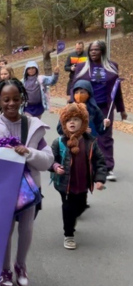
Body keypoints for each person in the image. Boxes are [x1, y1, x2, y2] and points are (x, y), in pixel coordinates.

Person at [0, 79, 54, 286]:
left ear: (22, 99)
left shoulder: (32, 126)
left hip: (28, 187)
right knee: (5, 228)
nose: (11, 103)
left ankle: (21, 265)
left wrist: (28, 152)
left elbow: (48, 159)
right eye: (6, 99)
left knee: (26, 227)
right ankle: (5, 270)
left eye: (15, 99)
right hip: (1, 189)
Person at [50, 103, 107, 250]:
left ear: (83, 122)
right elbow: (50, 159)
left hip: (82, 184)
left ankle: (73, 217)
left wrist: (99, 179)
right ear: (64, 123)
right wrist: (55, 167)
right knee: (68, 208)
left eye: (76, 119)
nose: (72, 122)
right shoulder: (59, 142)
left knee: (80, 206)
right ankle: (69, 234)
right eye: (68, 120)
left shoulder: (90, 142)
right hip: (65, 184)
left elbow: (99, 161)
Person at [73, 40, 127, 181]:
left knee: (106, 137)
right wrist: (72, 105)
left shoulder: (112, 67)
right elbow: (74, 87)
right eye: (91, 50)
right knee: (87, 136)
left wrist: (121, 109)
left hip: (104, 108)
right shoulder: (81, 67)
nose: (93, 52)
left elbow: (116, 90)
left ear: (102, 51)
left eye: (96, 49)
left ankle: (107, 168)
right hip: (86, 107)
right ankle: (87, 165)